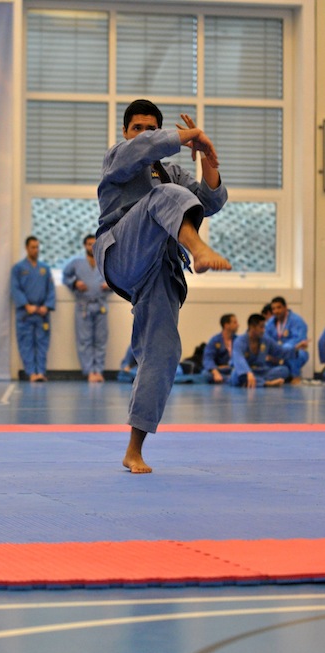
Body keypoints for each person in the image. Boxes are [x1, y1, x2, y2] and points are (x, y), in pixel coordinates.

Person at [94, 98, 230, 473]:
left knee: (164, 353)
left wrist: (208, 159)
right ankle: (199, 250)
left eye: (151, 129)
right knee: (163, 197)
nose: (144, 134)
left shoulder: (169, 173)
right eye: (137, 128)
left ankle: (134, 449)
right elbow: (143, 150)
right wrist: (184, 136)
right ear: (125, 132)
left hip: (158, 268)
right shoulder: (117, 158)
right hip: (122, 252)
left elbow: (208, 203)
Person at [63, 234, 111, 382]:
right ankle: (90, 371)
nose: (92, 247)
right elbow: (65, 276)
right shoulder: (76, 263)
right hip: (83, 306)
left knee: (100, 340)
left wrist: (109, 284)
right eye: (89, 244)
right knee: (85, 340)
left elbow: (116, 277)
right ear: (85, 246)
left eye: (94, 244)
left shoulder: (104, 261)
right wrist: (75, 283)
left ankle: (99, 370)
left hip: (100, 305)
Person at [11, 235, 56, 382]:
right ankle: (31, 373)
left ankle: (41, 372)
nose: (36, 250)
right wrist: (26, 305)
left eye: (37, 247)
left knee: (42, 344)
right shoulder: (18, 268)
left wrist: (47, 306)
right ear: (26, 248)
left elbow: (51, 289)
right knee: (26, 344)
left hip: (42, 313)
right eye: (33, 247)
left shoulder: (45, 268)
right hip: (25, 312)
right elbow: (15, 289)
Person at [230, 313, 308, 388]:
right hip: (246, 371)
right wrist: (248, 372)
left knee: (284, 370)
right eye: (261, 327)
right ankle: (266, 383)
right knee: (235, 375)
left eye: (264, 327)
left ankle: (251, 382)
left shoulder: (266, 340)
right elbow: (239, 359)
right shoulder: (239, 341)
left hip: (261, 371)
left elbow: (280, 351)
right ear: (252, 327)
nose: (264, 330)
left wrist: (295, 348)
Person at [265, 296, 309, 384]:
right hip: (277, 353)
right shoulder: (270, 323)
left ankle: (295, 376)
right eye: (273, 309)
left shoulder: (297, 321)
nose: (276, 311)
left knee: (294, 352)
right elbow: (265, 338)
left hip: (294, 351)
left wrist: (282, 349)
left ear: (285, 307)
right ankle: (268, 378)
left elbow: (299, 339)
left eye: (279, 307)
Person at [202, 313, 239, 383]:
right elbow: (208, 358)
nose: (238, 325)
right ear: (226, 325)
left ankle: (229, 379)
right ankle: (231, 380)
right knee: (205, 373)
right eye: (235, 322)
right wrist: (215, 372)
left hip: (234, 369)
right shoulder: (215, 340)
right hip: (219, 370)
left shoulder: (238, 340)